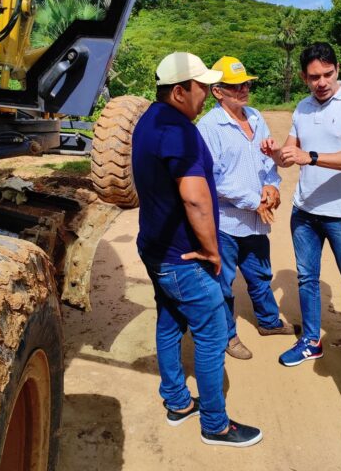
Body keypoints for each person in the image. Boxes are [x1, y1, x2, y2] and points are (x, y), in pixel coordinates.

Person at [132, 52, 262, 448]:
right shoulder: (182, 132)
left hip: (155, 249)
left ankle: (176, 401)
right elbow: (195, 199)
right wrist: (212, 251)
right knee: (212, 333)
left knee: (170, 322)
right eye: (201, 87)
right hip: (184, 257)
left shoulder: (149, 121)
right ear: (178, 91)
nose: (206, 94)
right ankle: (216, 424)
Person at [260, 42, 341, 370]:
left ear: (338, 69)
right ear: (303, 77)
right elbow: (289, 155)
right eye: (314, 77)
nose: (322, 82)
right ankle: (311, 341)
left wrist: (310, 157)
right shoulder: (302, 108)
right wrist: (275, 153)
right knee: (306, 279)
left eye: (327, 74)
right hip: (305, 212)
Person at [197, 56, 295, 361]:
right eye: (235, 86)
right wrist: (254, 202)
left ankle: (268, 322)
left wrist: (272, 186)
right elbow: (212, 180)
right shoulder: (209, 127)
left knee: (260, 274)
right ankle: (227, 335)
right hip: (227, 222)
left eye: (246, 84)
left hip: (255, 222)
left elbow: (267, 159)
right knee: (223, 283)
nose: (243, 90)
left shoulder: (255, 117)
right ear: (218, 91)